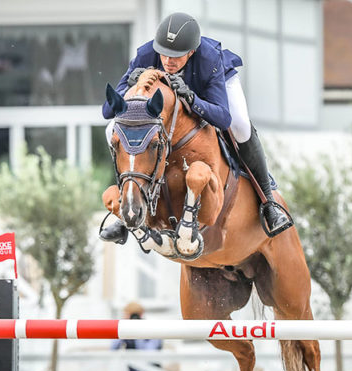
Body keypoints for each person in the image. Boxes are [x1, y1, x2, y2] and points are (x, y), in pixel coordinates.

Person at [98, 11, 292, 244]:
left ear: (191, 52)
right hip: (169, 107)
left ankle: (268, 202)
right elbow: (108, 111)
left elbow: (223, 118)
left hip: (211, 89)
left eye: (176, 56)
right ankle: (127, 201)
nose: (168, 61)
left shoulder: (209, 59)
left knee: (241, 126)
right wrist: (131, 82)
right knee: (112, 130)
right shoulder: (146, 54)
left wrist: (192, 99)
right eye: (164, 54)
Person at [90, 302, 162, 371]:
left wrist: (137, 332)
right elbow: (113, 348)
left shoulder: (151, 329)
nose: (133, 317)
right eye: (129, 314)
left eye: (135, 314)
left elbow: (149, 353)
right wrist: (122, 331)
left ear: (142, 315)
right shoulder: (123, 329)